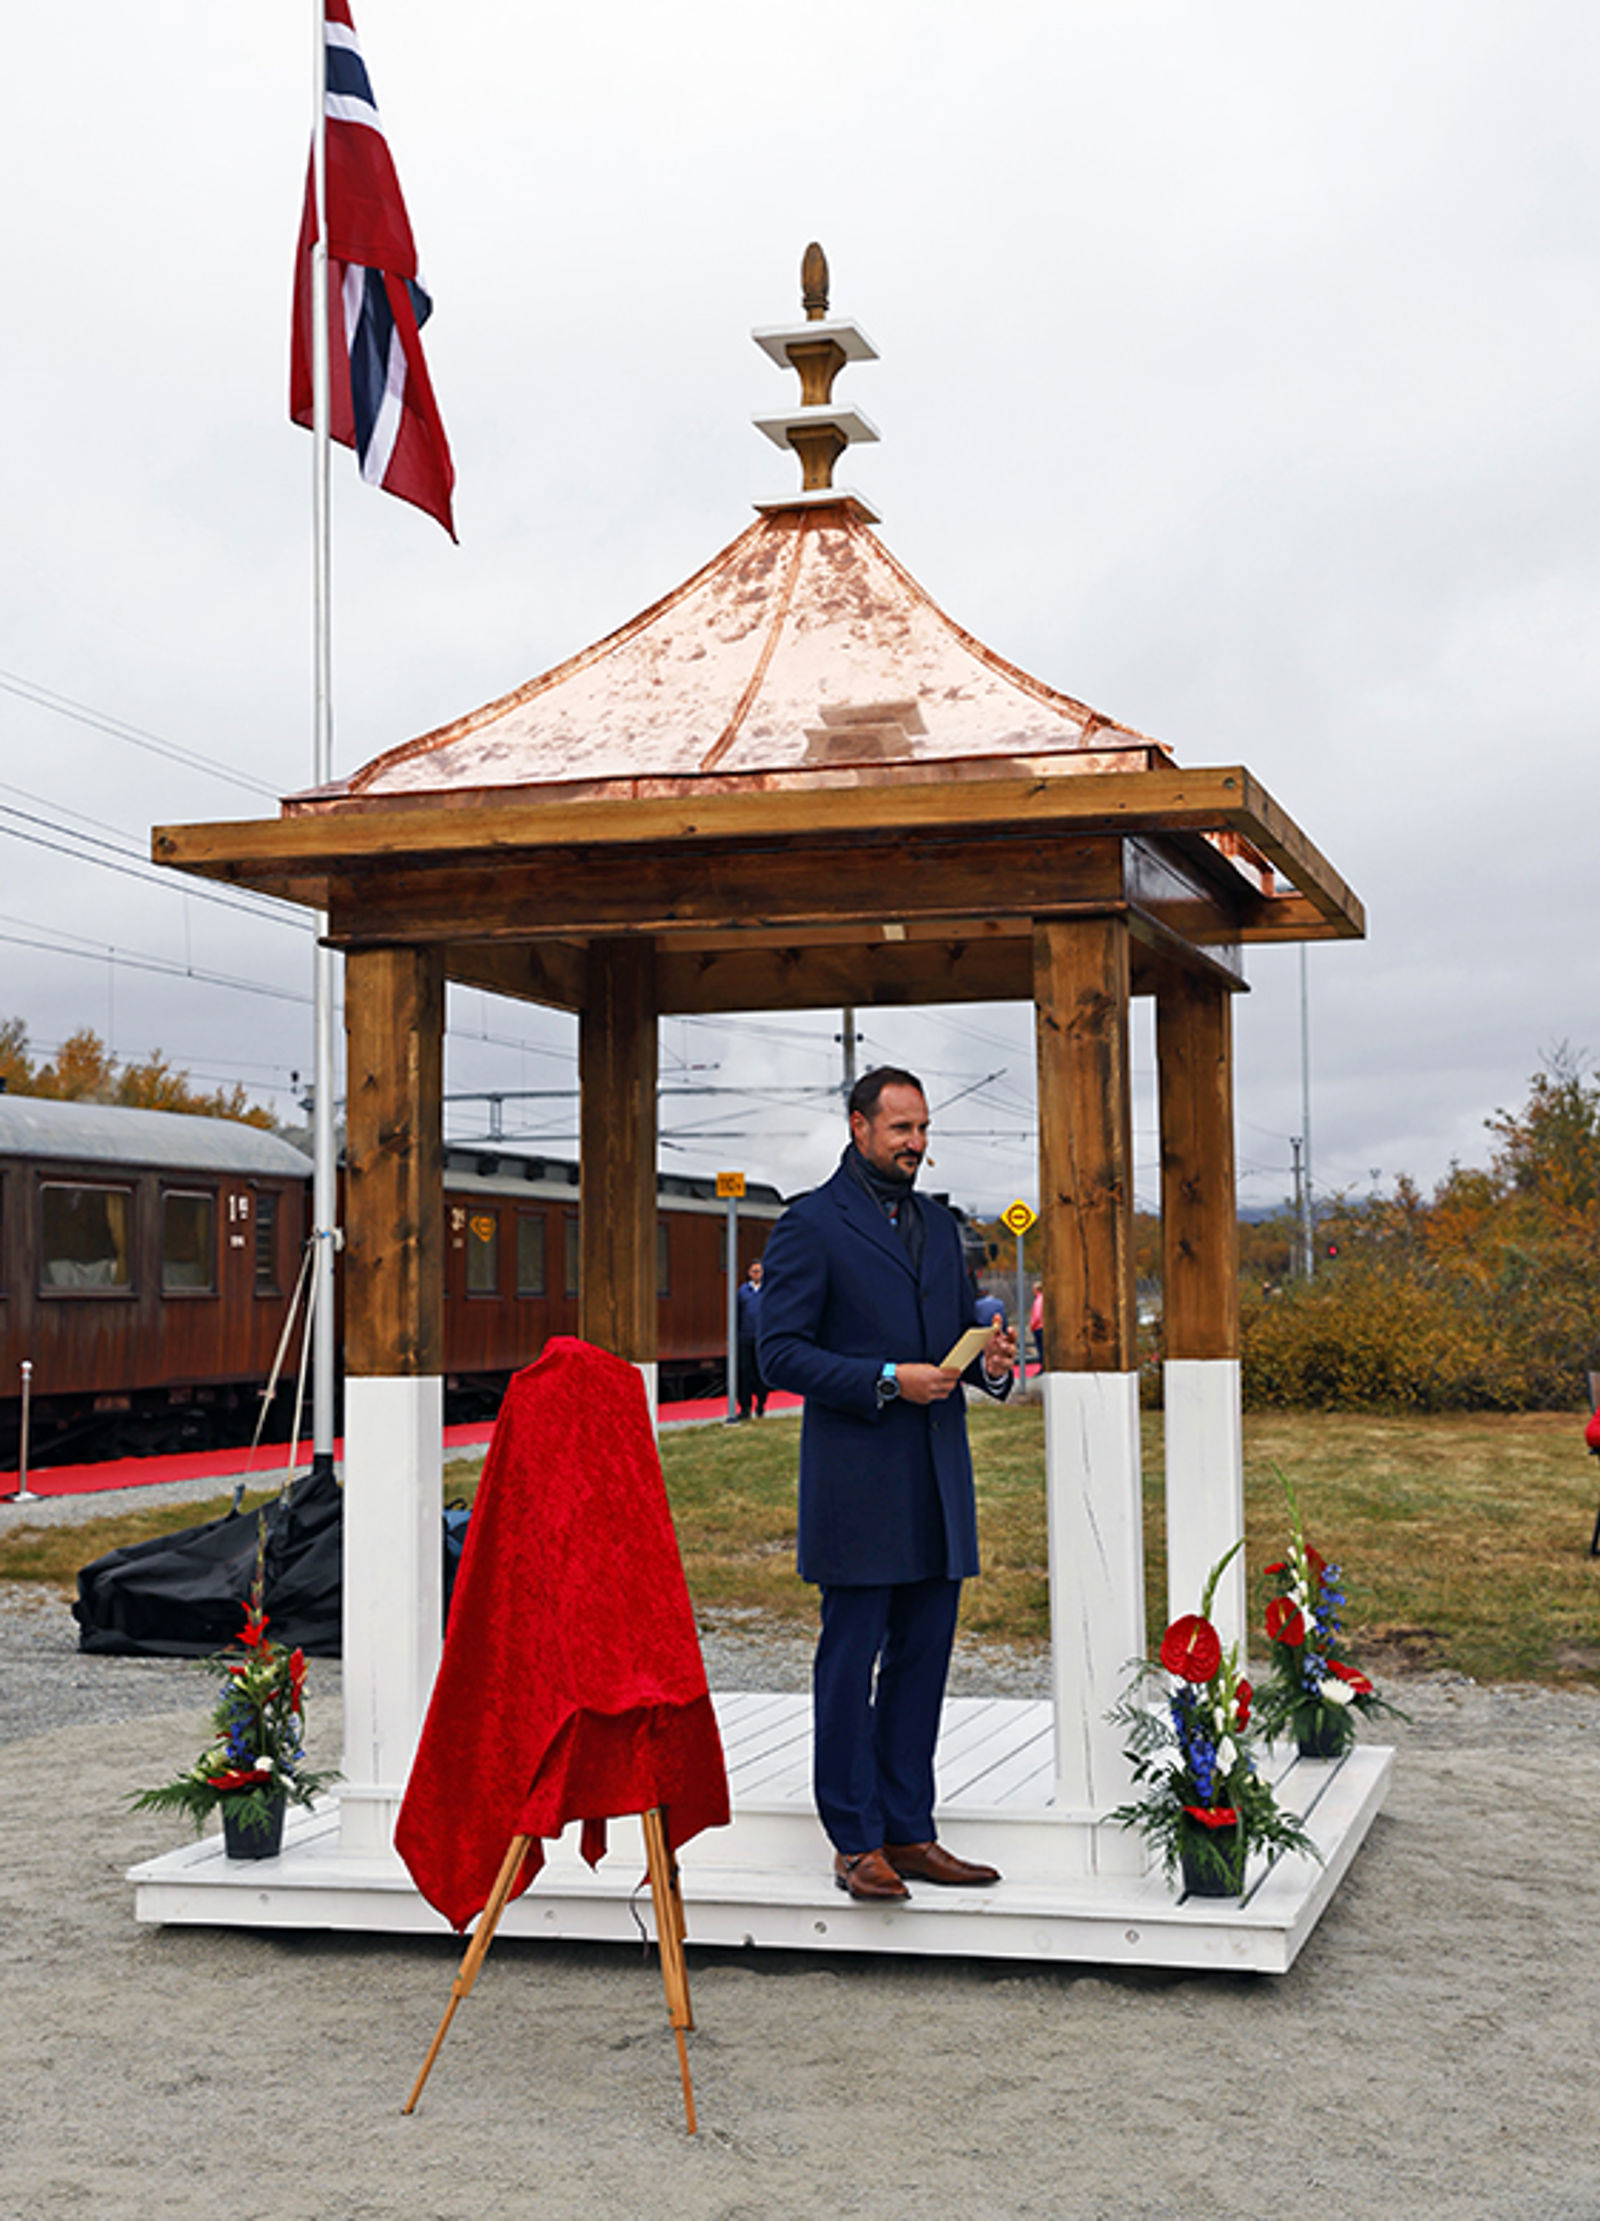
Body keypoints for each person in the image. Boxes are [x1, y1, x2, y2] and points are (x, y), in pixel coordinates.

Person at [757, 1066, 1019, 1902]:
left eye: (923, 1128)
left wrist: (992, 1365)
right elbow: (781, 1353)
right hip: (858, 1484)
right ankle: (854, 1838)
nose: (916, 1143)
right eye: (901, 1128)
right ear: (858, 1125)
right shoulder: (809, 1224)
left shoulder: (942, 1227)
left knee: (922, 1661)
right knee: (850, 1661)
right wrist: (881, 1376)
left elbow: (951, 1338)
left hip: (938, 1480)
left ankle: (909, 1830)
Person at [734, 1258, 768, 1420]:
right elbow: (736, 1315)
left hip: (762, 1338)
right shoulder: (742, 1292)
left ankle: (761, 1404)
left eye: (759, 1271)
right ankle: (745, 1407)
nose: (756, 1273)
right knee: (744, 1372)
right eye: (753, 1270)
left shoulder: (768, 1292)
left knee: (761, 1373)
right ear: (749, 1273)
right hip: (745, 1338)